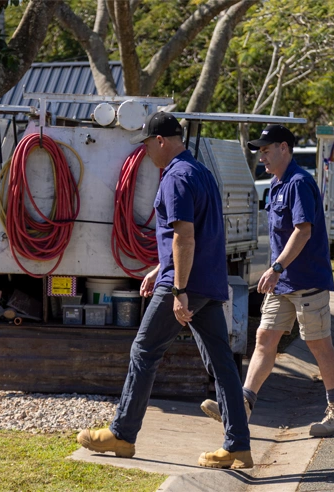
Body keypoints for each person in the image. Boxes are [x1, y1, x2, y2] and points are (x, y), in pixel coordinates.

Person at [77, 112, 252, 469]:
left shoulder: (175, 177)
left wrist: (178, 288)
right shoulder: (201, 172)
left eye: (146, 145)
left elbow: (183, 237)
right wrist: (160, 268)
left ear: (160, 141)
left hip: (186, 285)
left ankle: (122, 434)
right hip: (207, 282)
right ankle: (238, 446)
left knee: (145, 350)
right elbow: (197, 235)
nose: (145, 153)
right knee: (222, 363)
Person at [200, 124, 334, 437]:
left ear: (285, 148)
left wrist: (276, 267)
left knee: (318, 344)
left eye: (267, 149)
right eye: (260, 150)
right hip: (283, 283)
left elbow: (303, 230)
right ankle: (241, 406)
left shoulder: (299, 182)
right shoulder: (276, 184)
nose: (262, 156)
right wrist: (278, 273)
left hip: (305, 280)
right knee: (264, 339)